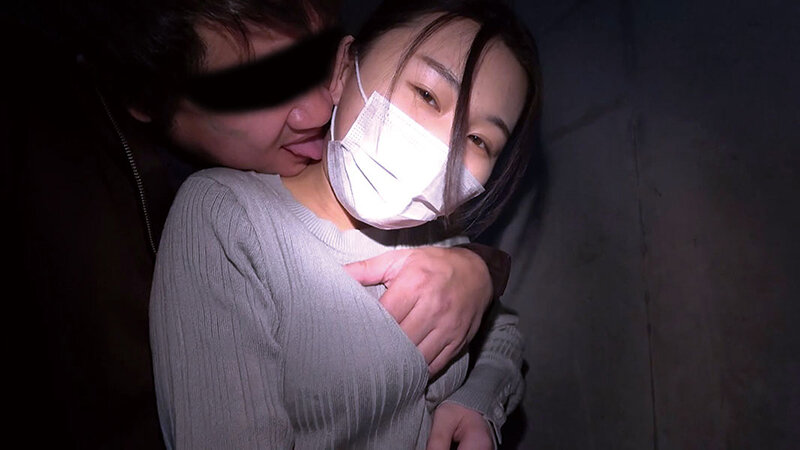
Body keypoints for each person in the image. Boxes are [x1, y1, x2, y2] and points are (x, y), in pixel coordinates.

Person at [7, 0, 512, 447]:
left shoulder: (364, 178)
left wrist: (479, 273)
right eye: (264, 85)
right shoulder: (76, 197)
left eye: (317, 60)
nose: (319, 107)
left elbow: (497, 328)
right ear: (149, 95)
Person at [150, 0, 541, 447]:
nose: (443, 147)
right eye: (427, 94)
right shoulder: (228, 217)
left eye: (478, 140)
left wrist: (478, 402)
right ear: (343, 68)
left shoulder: (441, 238)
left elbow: (503, 333)